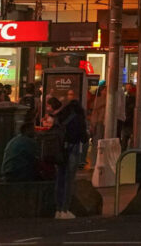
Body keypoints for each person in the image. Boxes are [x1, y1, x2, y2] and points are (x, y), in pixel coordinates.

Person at [52, 89, 87, 219]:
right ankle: (65, 209)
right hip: (73, 148)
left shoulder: (61, 115)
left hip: (60, 150)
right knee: (69, 180)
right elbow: (83, 137)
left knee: (60, 179)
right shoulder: (79, 117)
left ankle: (58, 209)